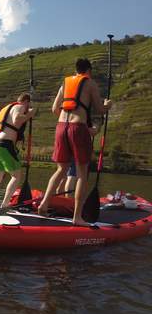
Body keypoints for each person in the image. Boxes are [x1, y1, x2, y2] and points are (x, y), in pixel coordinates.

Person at [38, 58, 112, 225]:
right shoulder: (90, 83)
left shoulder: (65, 83)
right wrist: (108, 104)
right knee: (82, 173)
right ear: (89, 70)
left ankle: (44, 205)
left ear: (76, 69)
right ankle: (77, 217)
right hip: (77, 129)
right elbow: (100, 109)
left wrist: (67, 119)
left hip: (60, 127)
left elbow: (54, 109)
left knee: (61, 169)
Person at [0, 93, 36, 210]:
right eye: (28, 105)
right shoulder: (20, 106)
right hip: (5, 145)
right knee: (16, 175)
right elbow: (17, 120)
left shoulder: (5, 110)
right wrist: (30, 114)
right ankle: (5, 204)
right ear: (26, 101)